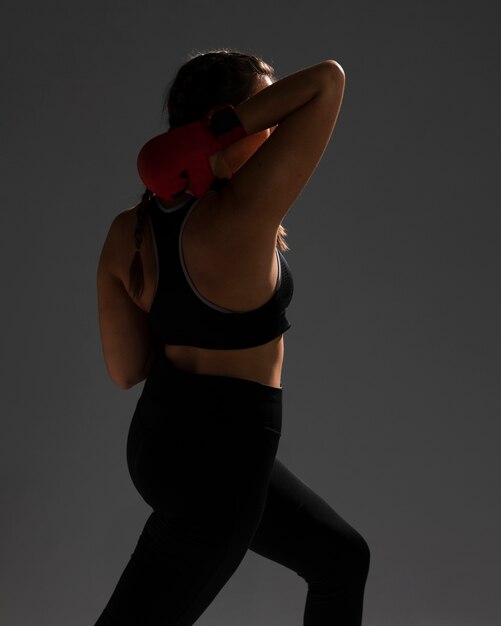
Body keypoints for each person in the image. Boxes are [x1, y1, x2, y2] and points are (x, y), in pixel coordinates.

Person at [95, 48, 370, 626]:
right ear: (223, 121)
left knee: (340, 561)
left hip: (160, 442)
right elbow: (326, 82)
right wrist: (214, 136)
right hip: (222, 465)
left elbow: (126, 371)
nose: (272, 133)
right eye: (263, 119)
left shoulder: (130, 230)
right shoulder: (242, 217)